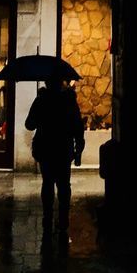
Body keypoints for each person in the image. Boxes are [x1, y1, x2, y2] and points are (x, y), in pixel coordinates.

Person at [25, 74, 84, 235]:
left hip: (45, 148)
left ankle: (47, 215)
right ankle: (63, 218)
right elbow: (77, 126)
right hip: (63, 148)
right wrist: (79, 148)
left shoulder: (41, 100)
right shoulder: (69, 101)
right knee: (64, 184)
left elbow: (29, 124)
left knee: (48, 182)